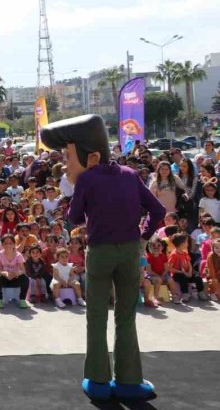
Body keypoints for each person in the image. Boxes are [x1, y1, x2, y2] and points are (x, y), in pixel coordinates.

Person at [42, 114, 165, 401]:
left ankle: (98, 381)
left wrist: (78, 200)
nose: (66, 164)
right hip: (130, 251)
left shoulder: (87, 179)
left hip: (99, 252)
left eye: (69, 156)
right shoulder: (131, 175)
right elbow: (157, 211)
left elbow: (73, 218)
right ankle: (129, 382)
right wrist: (144, 238)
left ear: (92, 156)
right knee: (126, 316)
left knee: (96, 316)